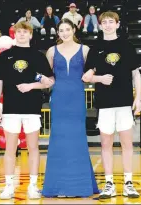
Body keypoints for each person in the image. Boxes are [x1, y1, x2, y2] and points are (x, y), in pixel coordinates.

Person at [82, 11, 141, 199]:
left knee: (127, 144)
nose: (107, 25)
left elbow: (136, 75)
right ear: (100, 26)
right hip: (105, 104)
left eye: (111, 22)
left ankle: (128, 183)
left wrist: (138, 98)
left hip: (124, 104)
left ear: (117, 24)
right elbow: (86, 76)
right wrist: (100, 78)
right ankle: (109, 184)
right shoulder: (95, 47)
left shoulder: (127, 46)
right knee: (106, 144)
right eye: (104, 22)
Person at [0, 21, 54, 200]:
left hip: (32, 109)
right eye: (18, 32)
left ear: (30, 35)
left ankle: (33, 186)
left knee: (33, 148)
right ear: (14, 34)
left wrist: (31, 86)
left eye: (24, 32)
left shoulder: (38, 56)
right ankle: (9, 186)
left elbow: (50, 81)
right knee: (10, 149)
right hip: (11, 109)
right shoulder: (5, 56)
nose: (21, 34)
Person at [42, 18, 99, 197]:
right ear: (57, 33)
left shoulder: (85, 50)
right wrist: (36, 80)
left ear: (74, 30)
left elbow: (92, 70)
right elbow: (47, 77)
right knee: (58, 140)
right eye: (61, 30)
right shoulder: (51, 51)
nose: (64, 33)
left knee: (77, 139)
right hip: (58, 98)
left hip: (76, 98)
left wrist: (94, 72)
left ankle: (79, 186)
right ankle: (57, 186)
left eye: (67, 29)